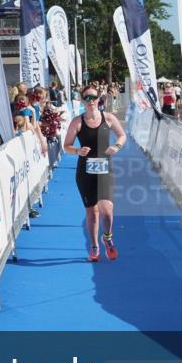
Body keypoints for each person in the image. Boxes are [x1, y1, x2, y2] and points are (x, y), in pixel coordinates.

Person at [63, 88, 127, 262]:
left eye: (93, 97)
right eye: (87, 97)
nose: (90, 100)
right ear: (82, 101)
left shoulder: (108, 118)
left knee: (107, 211)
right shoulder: (77, 122)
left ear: (99, 98)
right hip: (85, 172)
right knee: (92, 212)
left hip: (105, 169)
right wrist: (77, 151)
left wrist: (116, 146)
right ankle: (94, 246)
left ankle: (107, 237)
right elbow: (66, 146)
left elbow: (122, 135)